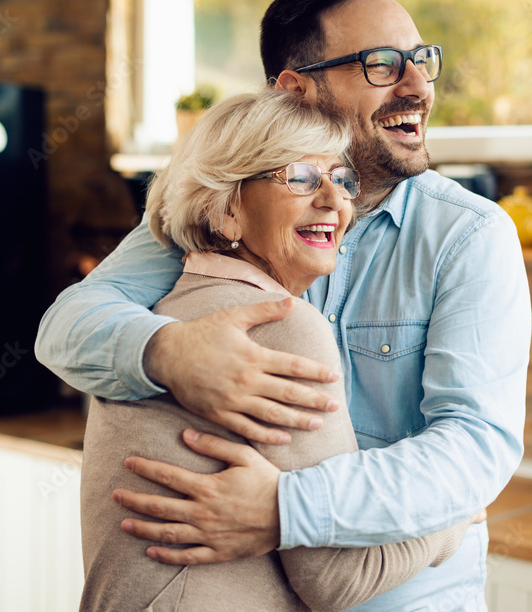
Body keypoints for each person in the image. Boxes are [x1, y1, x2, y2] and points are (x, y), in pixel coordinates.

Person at [37, 0, 530, 609]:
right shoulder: (229, 206)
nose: (417, 87)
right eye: (381, 65)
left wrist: (284, 509)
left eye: (421, 61)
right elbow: (67, 326)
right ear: (296, 90)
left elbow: (476, 445)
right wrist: (168, 353)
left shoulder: (468, 235)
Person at [80, 90, 475, 611]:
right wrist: (457, 515)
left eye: (341, 178)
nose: (335, 202)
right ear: (226, 211)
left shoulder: (163, 313)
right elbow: (337, 580)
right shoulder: (281, 325)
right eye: (300, 177)